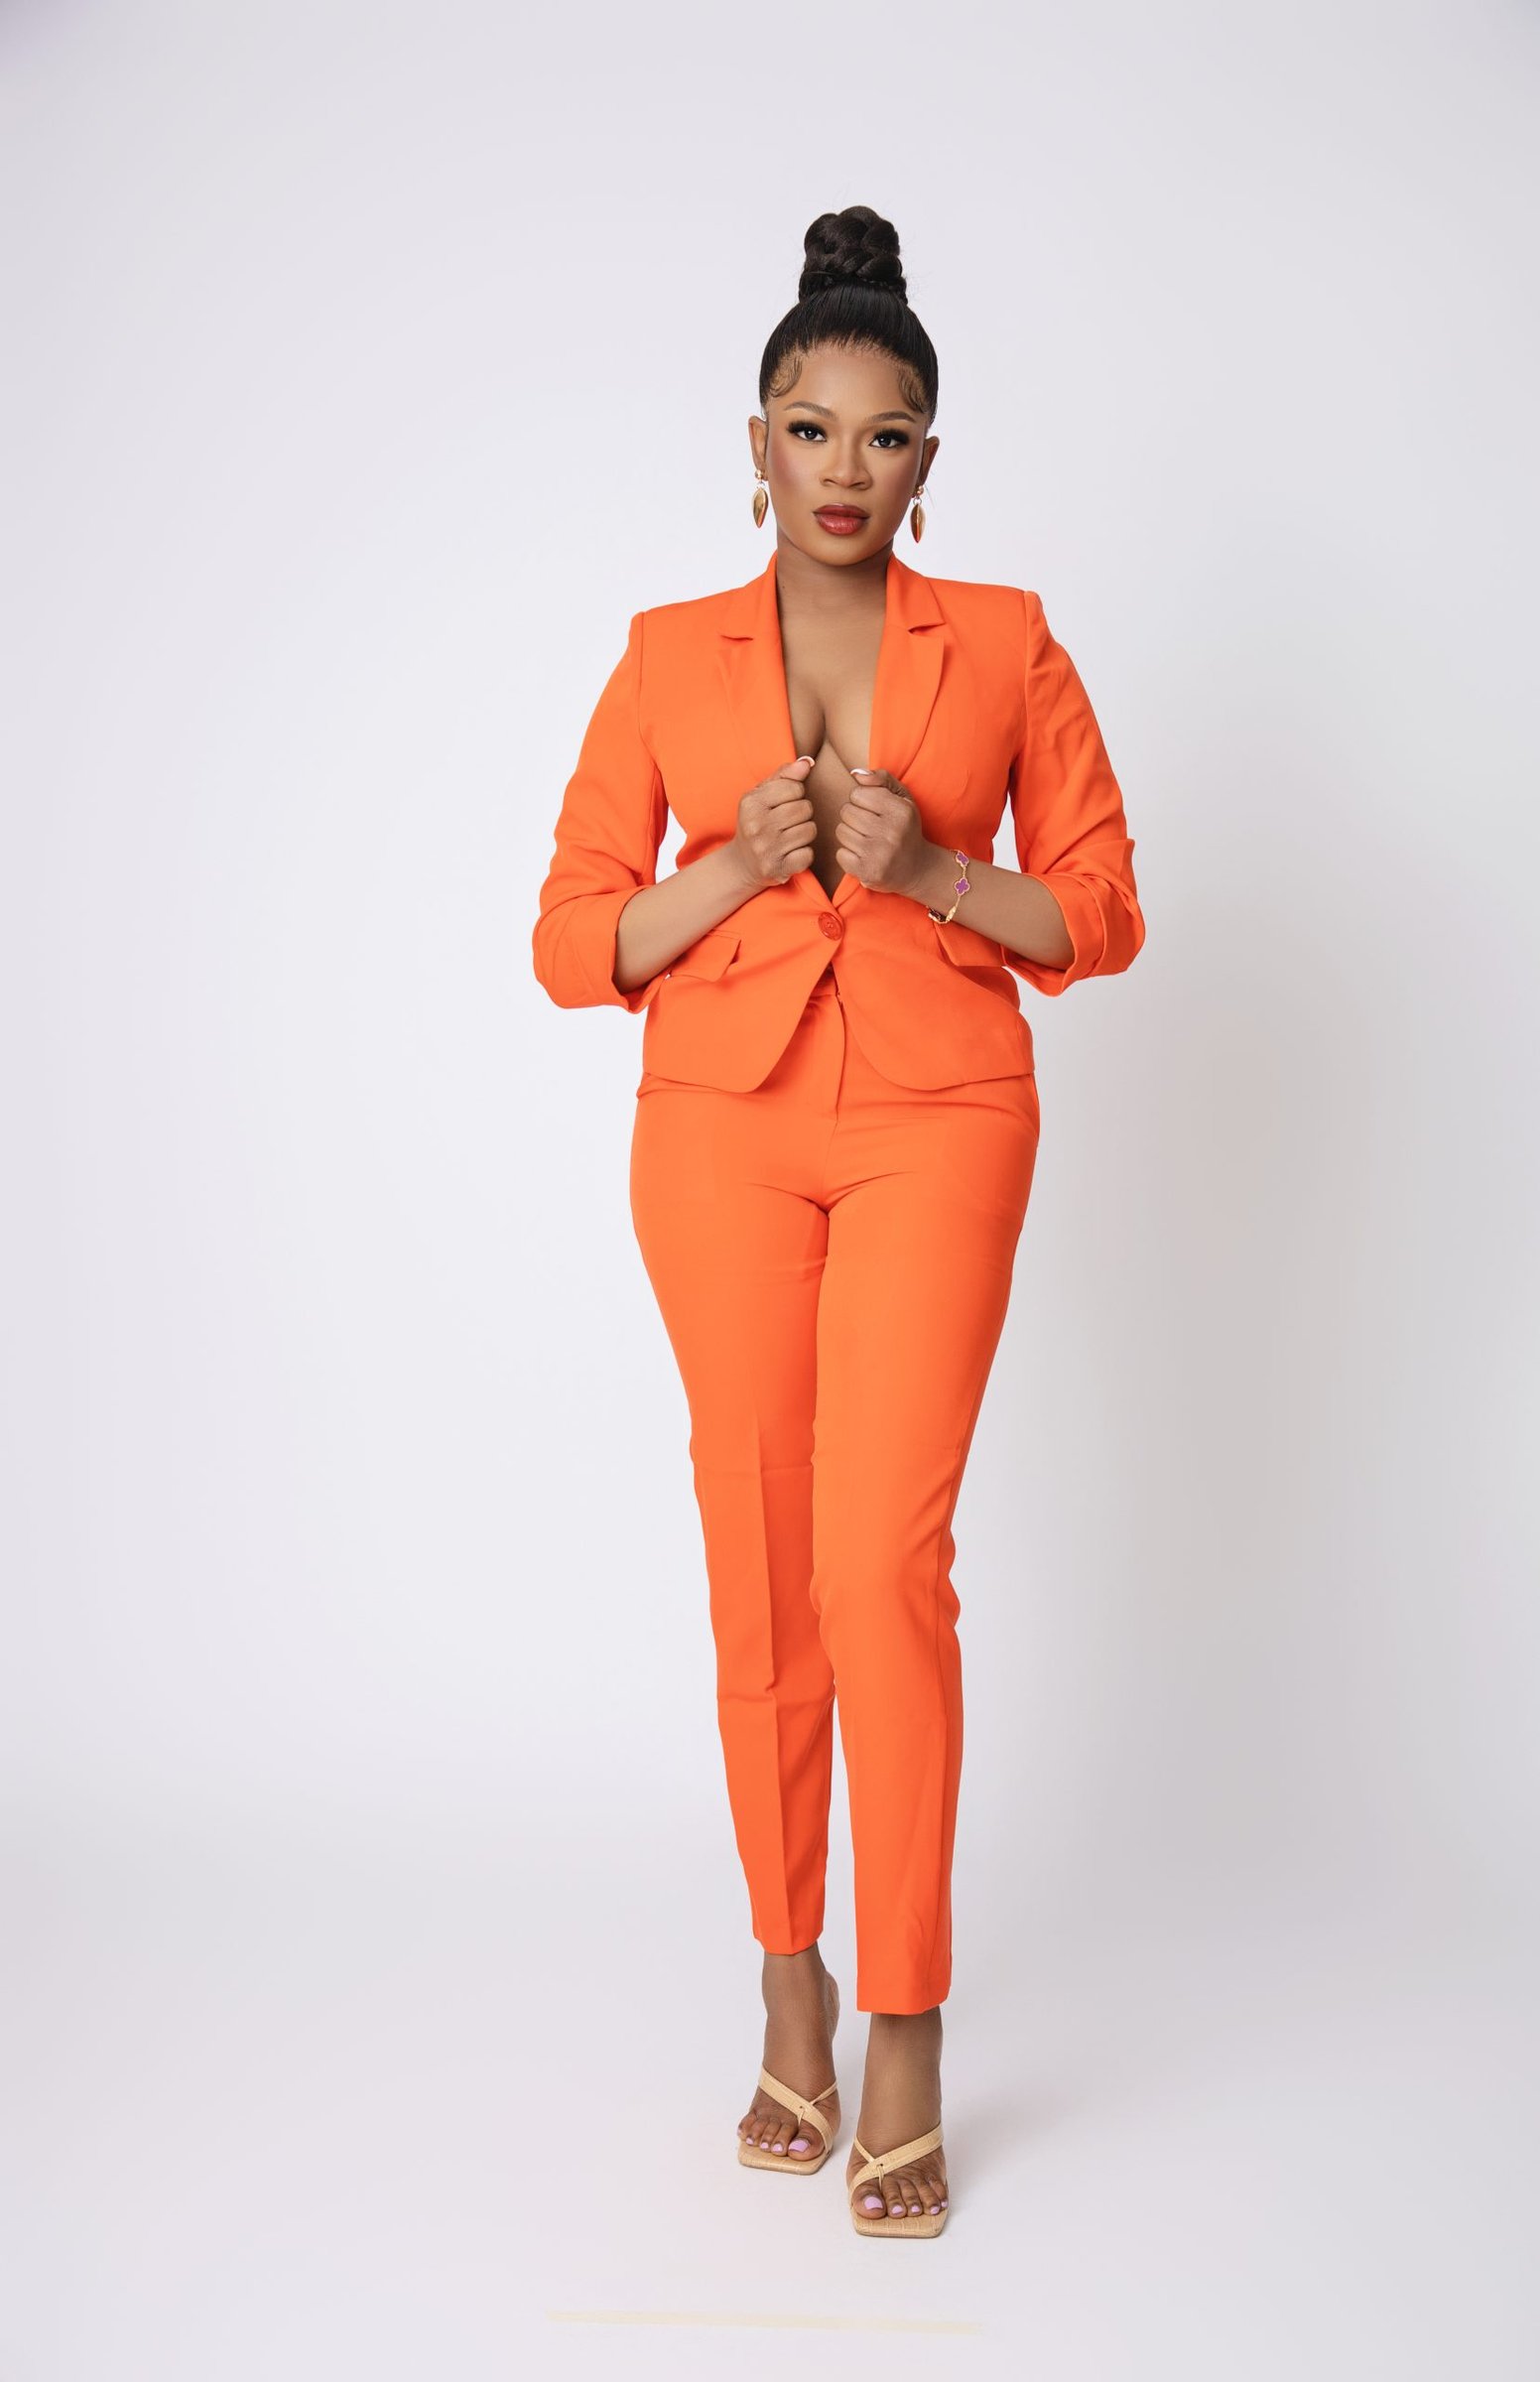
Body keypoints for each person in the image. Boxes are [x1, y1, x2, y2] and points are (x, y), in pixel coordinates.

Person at [532, 203, 1145, 2237]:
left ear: (927, 460)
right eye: (811, 431)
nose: (845, 469)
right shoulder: (660, 657)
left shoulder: (1011, 643)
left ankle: (904, 2022)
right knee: (761, 1561)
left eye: (885, 437)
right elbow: (569, 941)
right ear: (757, 446)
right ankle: (785, 1980)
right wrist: (728, 866)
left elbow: (1102, 909)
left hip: (936, 1115)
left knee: (881, 1562)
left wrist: (932, 868)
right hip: (718, 1127)